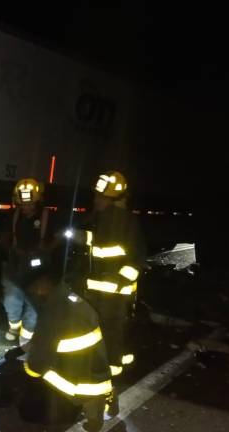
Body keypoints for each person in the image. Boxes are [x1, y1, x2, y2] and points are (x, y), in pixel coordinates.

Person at [76, 170, 145, 415]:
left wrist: (117, 281)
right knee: (96, 338)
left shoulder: (126, 221)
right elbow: (94, 248)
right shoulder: (101, 218)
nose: (95, 200)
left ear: (111, 198)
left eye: (100, 196)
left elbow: (136, 259)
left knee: (111, 339)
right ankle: (98, 382)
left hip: (114, 296)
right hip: (95, 292)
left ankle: (110, 389)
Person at [21, 269, 112, 432]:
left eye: (34, 288)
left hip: (78, 380)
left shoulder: (53, 311)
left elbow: (38, 362)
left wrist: (27, 369)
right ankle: (101, 412)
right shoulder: (71, 297)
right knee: (94, 397)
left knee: (40, 378)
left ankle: (81, 419)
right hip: (99, 368)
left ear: (44, 283)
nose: (34, 292)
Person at [0, 178, 59, 346]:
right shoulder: (14, 215)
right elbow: (4, 237)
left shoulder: (47, 216)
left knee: (34, 305)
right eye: (22, 204)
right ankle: (13, 326)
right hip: (16, 266)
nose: (26, 208)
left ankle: (26, 337)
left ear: (38, 201)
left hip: (39, 270)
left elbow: (58, 239)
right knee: (11, 299)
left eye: (30, 204)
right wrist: (10, 248)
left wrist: (44, 250)